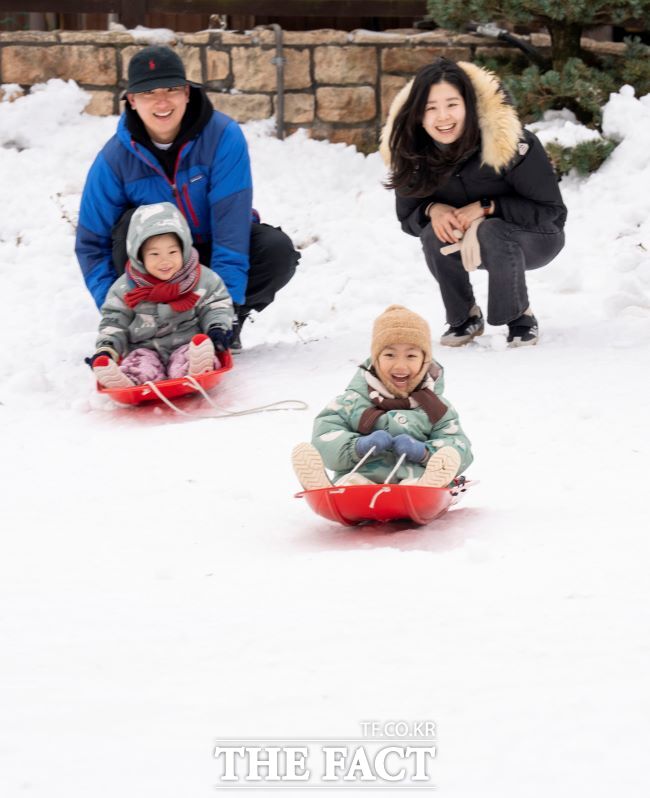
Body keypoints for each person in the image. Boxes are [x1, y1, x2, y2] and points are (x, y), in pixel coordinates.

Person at [76, 45, 299, 352]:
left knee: (275, 250)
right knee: (130, 227)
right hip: (154, 270)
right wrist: (115, 311)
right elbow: (91, 243)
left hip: (210, 254)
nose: (162, 101)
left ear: (187, 93)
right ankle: (149, 331)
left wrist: (224, 311)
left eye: (171, 89)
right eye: (149, 93)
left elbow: (231, 227)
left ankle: (225, 324)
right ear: (132, 100)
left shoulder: (222, 136)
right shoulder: (114, 159)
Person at [381, 58, 567, 347]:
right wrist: (433, 209)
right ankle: (464, 317)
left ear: (470, 104)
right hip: (464, 239)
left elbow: (551, 213)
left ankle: (520, 316)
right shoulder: (412, 151)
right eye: (431, 108)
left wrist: (488, 207)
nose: (443, 117)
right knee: (432, 231)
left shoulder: (511, 143)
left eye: (452, 105)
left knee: (492, 230)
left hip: (535, 238)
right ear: (418, 113)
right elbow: (408, 219)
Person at [291, 305, 472, 490]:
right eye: (389, 355)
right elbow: (325, 437)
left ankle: (425, 490)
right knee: (352, 483)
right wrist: (358, 446)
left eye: (411, 355)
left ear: (425, 360)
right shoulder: (350, 402)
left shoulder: (437, 407)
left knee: (422, 483)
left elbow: (459, 446)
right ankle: (332, 490)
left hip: (416, 477)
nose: (400, 365)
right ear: (376, 358)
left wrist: (424, 452)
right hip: (362, 477)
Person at [89, 202, 233, 389]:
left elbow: (216, 305)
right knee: (139, 366)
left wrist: (217, 329)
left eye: (172, 252)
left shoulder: (202, 279)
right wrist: (107, 348)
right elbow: (114, 321)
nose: (165, 261)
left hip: (188, 343)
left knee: (192, 353)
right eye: (154, 254)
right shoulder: (125, 287)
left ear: (184, 249)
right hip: (144, 348)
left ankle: (196, 369)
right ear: (139, 256)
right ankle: (127, 382)